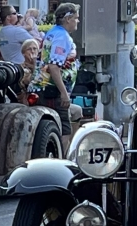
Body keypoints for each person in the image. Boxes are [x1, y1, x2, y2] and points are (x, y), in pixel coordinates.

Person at [29, 3, 79, 151]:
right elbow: (53, 66)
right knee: (63, 129)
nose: (78, 21)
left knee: (50, 128)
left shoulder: (52, 32)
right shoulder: (62, 36)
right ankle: (61, 164)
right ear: (68, 18)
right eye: (76, 18)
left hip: (42, 87)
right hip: (52, 89)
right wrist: (64, 93)